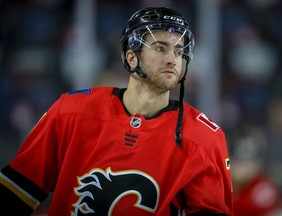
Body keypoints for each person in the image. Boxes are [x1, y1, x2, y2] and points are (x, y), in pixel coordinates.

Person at [0, 7, 233, 215]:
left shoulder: (204, 137)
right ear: (131, 58)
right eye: (160, 48)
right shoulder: (71, 110)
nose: (172, 59)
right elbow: (19, 189)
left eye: (179, 51)